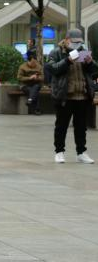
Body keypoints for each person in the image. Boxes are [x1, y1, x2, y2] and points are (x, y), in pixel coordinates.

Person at [46, 29, 97, 165]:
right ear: (67, 39)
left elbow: (94, 71)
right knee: (61, 126)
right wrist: (67, 60)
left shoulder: (83, 51)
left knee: (81, 127)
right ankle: (59, 152)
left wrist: (90, 62)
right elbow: (53, 69)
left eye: (79, 42)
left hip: (82, 95)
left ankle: (81, 152)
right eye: (74, 42)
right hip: (65, 96)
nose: (76, 44)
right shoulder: (57, 52)